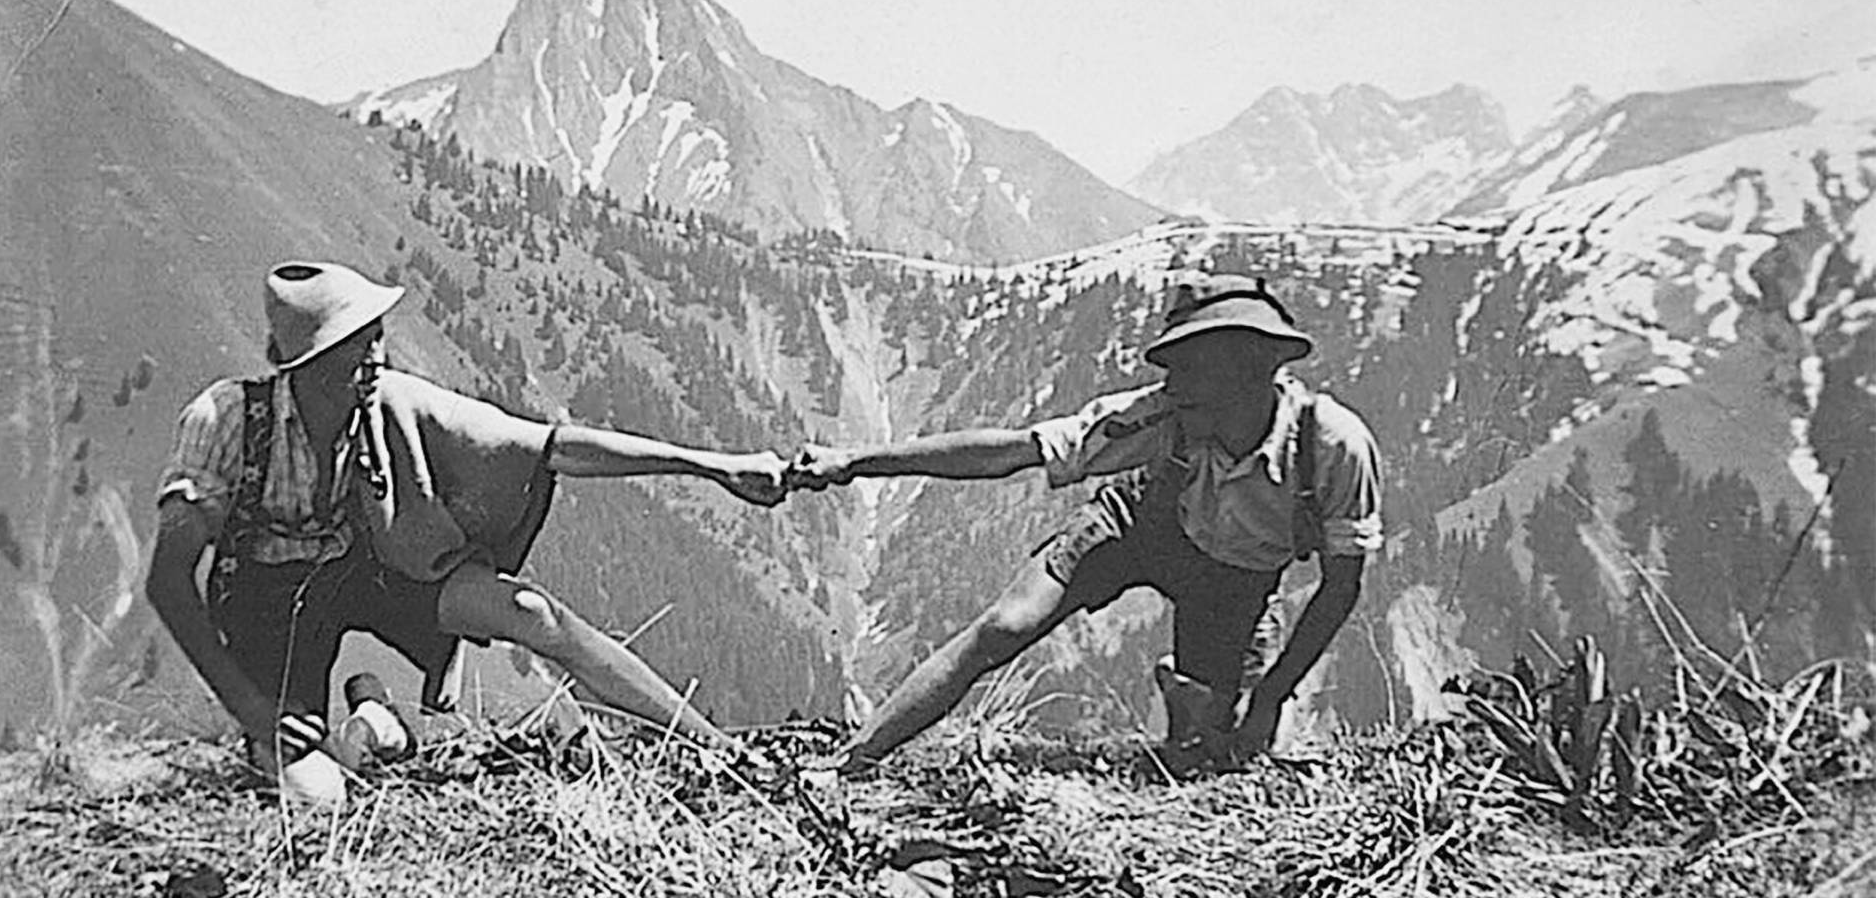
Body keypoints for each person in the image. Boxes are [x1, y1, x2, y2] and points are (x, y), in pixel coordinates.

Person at [147, 261, 787, 795]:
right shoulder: (225, 419)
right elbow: (169, 583)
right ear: (305, 363)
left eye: (375, 336)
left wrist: (710, 466)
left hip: (360, 575)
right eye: (352, 344)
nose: (373, 355)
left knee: (532, 612)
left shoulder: (388, 401)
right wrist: (255, 715)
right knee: (319, 797)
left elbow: (553, 447)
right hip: (264, 607)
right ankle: (373, 724)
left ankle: (715, 747)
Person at [789, 273, 1383, 773]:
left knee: (1217, 756)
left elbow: (1340, 586)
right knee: (1004, 628)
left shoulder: (1333, 446)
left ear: (1251, 368)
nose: (1171, 385)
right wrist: (854, 462)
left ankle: (1193, 707)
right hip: (1137, 525)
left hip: (1237, 581)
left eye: (1190, 368)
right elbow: (1006, 453)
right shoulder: (1160, 416)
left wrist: (1271, 698)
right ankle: (854, 762)